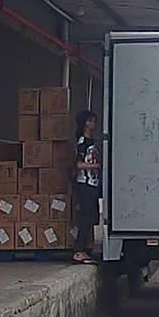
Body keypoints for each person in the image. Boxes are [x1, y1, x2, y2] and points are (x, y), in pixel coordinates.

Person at [71, 110, 101, 264]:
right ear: (85, 123)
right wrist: (96, 166)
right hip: (85, 183)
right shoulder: (82, 142)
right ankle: (79, 250)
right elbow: (78, 164)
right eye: (91, 121)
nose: (93, 124)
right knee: (86, 217)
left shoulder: (92, 141)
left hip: (93, 183)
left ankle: (86, 248)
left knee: (92, 217)